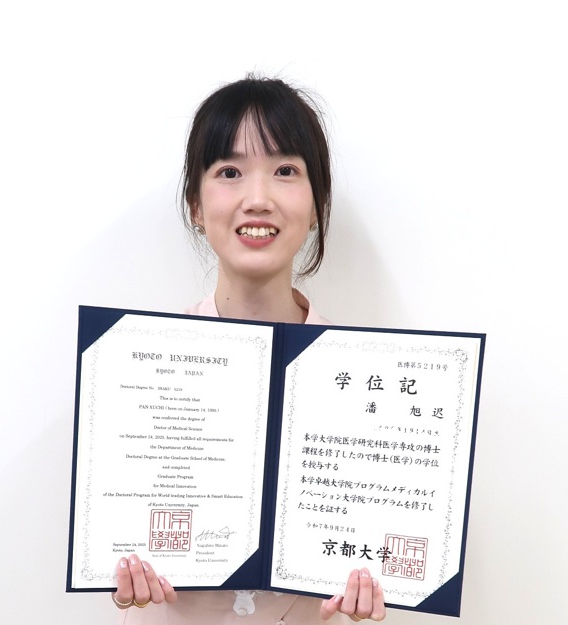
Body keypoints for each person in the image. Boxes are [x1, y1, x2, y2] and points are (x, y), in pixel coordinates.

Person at [112, 76, 386, 624]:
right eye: (229, 172)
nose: (257, 199)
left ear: (317, 204)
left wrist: (375, 590)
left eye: (285, 171)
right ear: (196, 204)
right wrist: (119, 576)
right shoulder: (134, 369)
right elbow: (114, 530)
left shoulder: (363, 384)